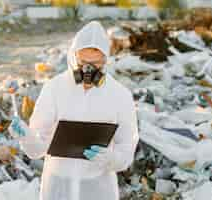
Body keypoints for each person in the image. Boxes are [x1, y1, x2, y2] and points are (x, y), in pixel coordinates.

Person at [8, 21, 139, 200]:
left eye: (96, 64)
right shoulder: (54, 89)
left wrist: (110, 158)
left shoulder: (120, 96)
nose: (89, 70)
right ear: (72, 57)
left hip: (98, 188)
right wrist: (25, 136)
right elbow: (37, 149)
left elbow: (126, 150)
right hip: (57, 186)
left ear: (106, 61)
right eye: (83, 62)